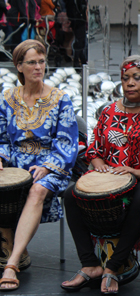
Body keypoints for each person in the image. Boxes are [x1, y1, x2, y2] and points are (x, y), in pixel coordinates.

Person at [60, 55, 140, 294]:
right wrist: (99, 165)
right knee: (71, 196)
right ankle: (90, 264)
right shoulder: (109, 112)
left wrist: (137, 172)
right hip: (112, 179)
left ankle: (114, 266)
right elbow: (94, 149)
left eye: (137, 78)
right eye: (125, 78)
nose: (130, 83)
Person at [0, 39, 78, 291]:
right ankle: (9, 246)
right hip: (15, 161)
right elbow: (1, 137)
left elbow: (67, 141)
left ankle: (11, 263)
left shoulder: (60, 99)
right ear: (18, 66)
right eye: (31, 62)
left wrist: (49, 165)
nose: (38, 67)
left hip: (49, 164)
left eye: (41, 62)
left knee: (37, 189)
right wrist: (0, 158)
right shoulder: (7, 97)